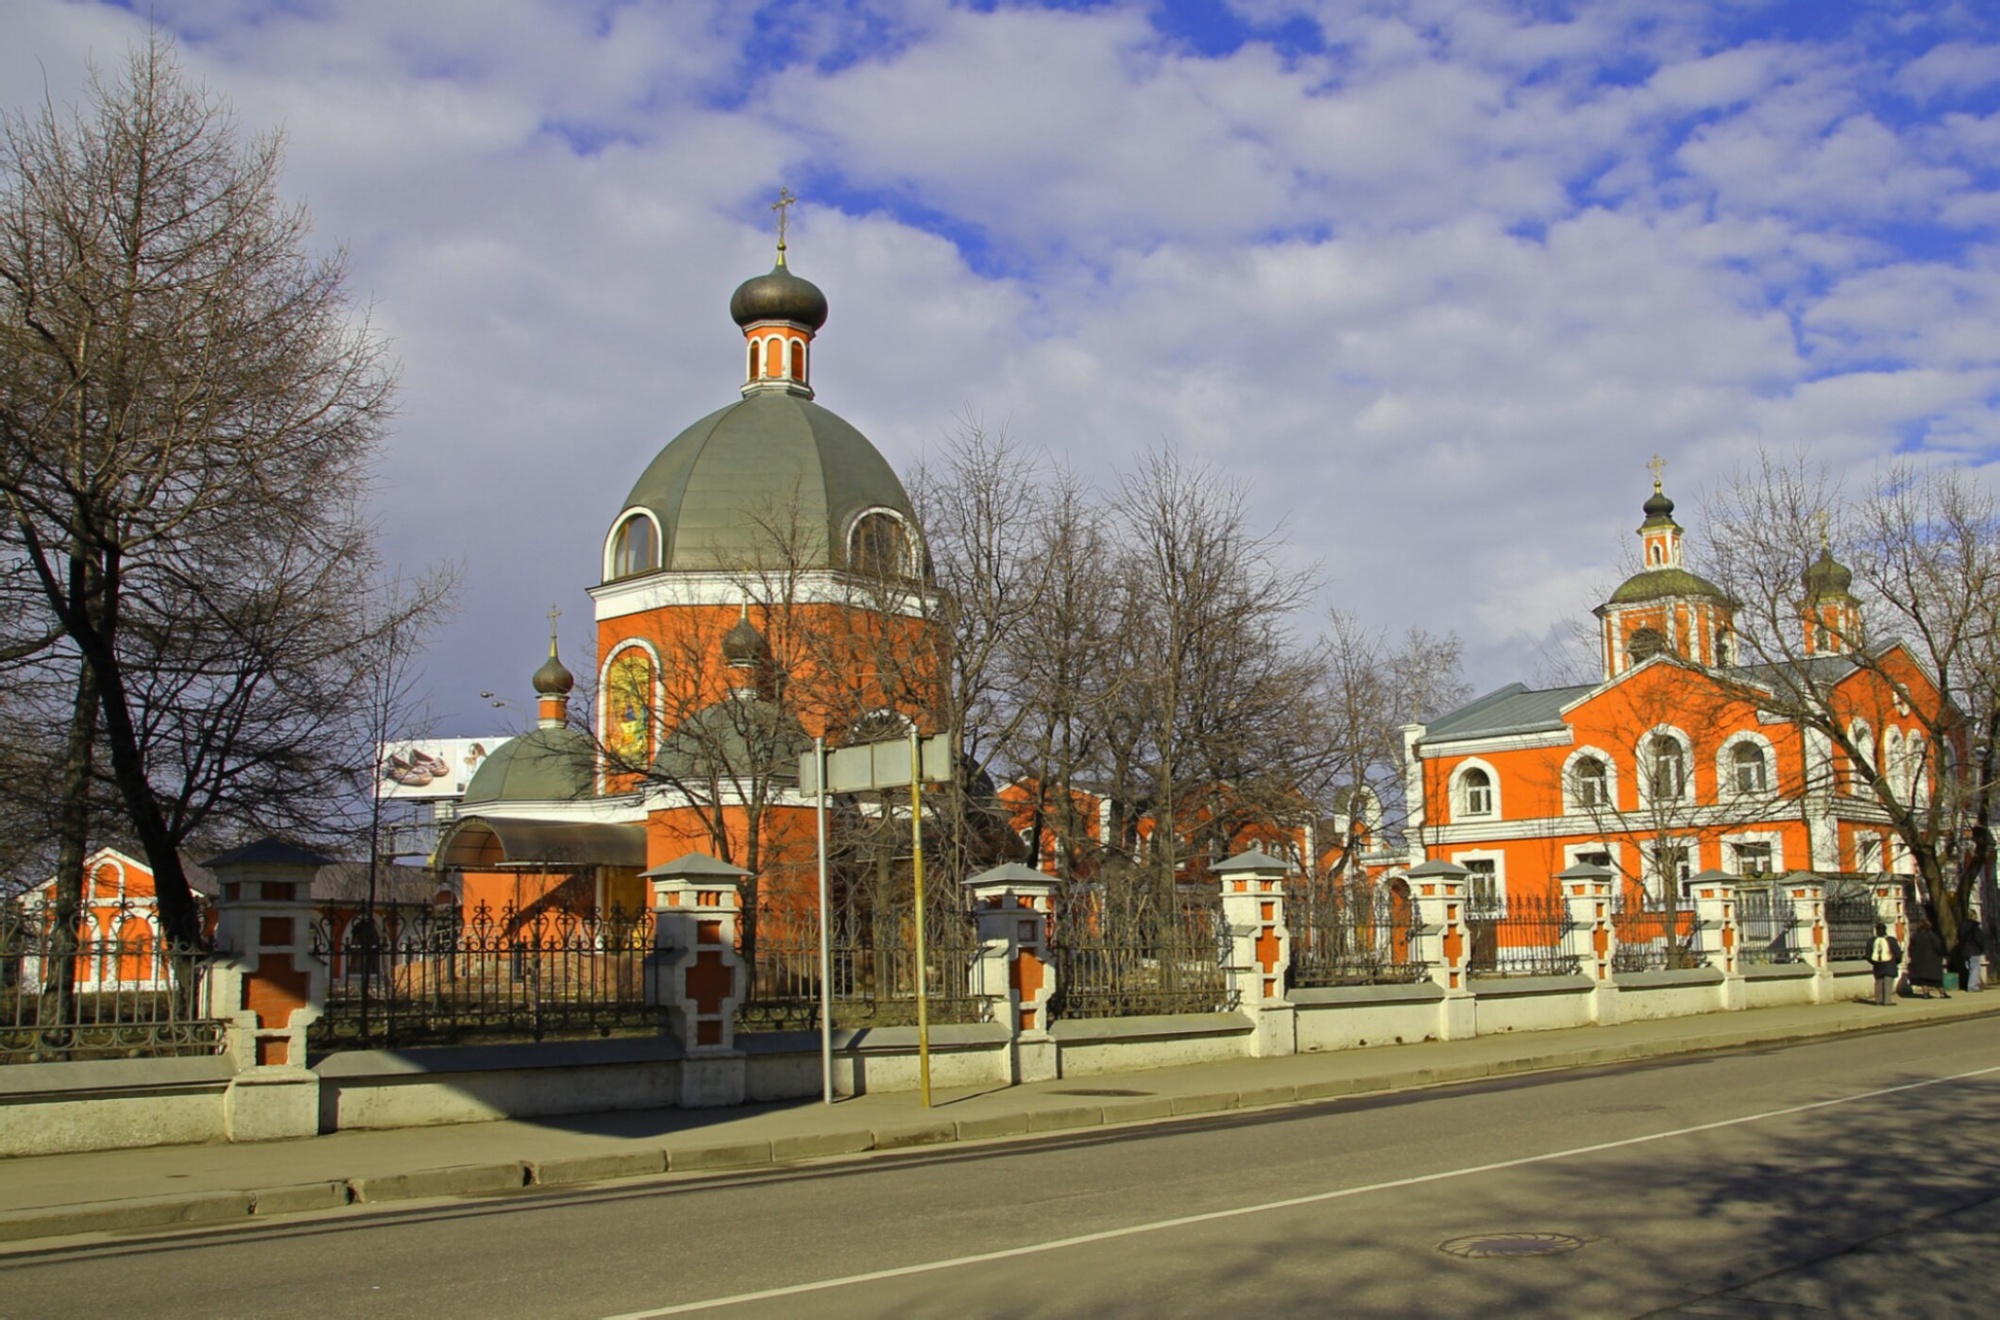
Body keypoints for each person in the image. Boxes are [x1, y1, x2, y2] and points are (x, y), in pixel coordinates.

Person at [1908, 918, 1948, 998]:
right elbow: (1939, 947)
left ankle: (1925, 993)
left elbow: (1911, 949)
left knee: (1923, 980)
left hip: (1919, 961)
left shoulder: (1915, 936)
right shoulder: (1932, 936)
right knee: (1937, 979)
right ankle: (1942, 993)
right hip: (1932, 961)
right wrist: (1943, 954)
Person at [1868, 923, 1903, 1006]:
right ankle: (1887, 1001)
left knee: (1878, 982)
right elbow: (1898, 954)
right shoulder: (1891, 940)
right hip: (1889, 964)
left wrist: (1875, 962)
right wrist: (1895, 962)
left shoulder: (1871, 941)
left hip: (1878, 965)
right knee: (1888, 982)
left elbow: (1868, 955)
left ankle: (1878, 1001)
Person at [1960, 918, 1987, 994]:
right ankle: (1972, 986)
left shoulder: (1963, 928)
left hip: (1965, 951)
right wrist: (1982, 948)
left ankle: (1973, 984)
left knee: (1970, 968)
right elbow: (1979, 940)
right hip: (1974, 950)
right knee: (1975, 969)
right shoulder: (1974, 929)